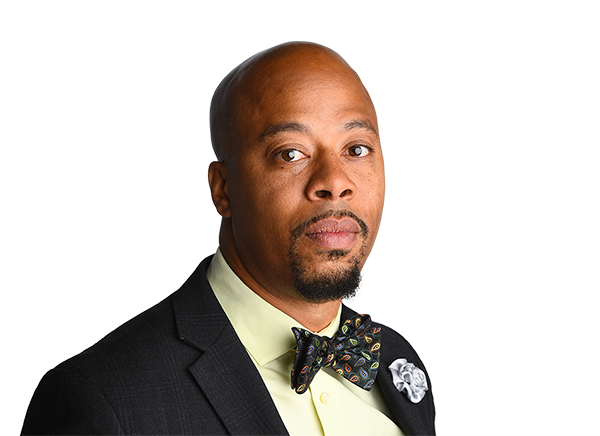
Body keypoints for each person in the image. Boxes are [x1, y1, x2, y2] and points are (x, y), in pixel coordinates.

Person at [21, 42, 436, 436]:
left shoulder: (393, 358)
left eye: (357, 149)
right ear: (223, 190)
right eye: (290, 153)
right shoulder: (100, 399)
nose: (334, 181)